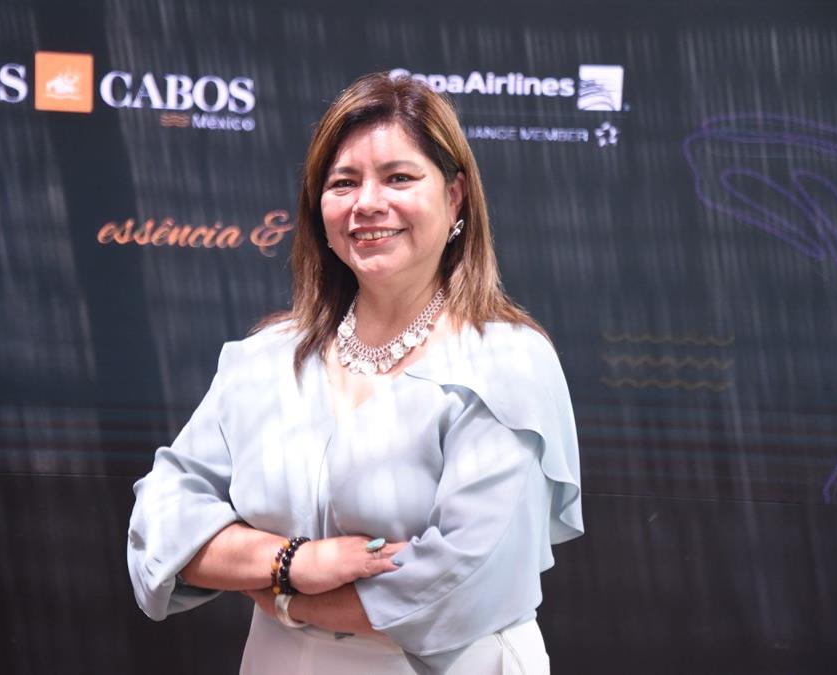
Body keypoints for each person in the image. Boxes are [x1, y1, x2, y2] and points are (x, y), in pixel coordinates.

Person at [126, 71, 584, 675]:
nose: (368, 202)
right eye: (344, 182)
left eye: (399, 177)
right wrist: (293, 562)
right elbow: (162, 521)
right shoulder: (266, 357)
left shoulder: (506, 362)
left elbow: (461, 581)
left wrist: (282, 599)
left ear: (455, 197)